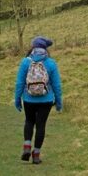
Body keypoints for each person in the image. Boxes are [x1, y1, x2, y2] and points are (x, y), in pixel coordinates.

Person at [14, 36, 62, 165]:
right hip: (46, 100)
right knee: (41, 125)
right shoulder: (51, 63)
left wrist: (17, 99)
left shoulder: (25, 62)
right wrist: (58, 101)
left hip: (29, 99)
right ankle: (36, 155)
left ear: (33, 47)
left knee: (29, 121)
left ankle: (27, 147)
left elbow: (19, 83)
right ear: (45, 49)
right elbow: (57, 85)